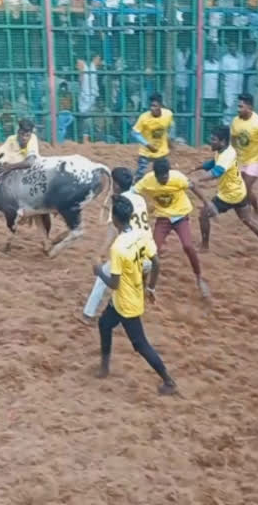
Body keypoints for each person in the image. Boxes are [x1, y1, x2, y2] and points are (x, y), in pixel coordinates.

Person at [93, 195, 177, 395]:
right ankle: (104, 367)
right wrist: (151, 288)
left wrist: (98, 272)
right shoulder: (141, 235)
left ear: (115, 219)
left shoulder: (118, 248)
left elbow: (114, 283)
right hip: (134, 292)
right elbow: (156, 263)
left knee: (140, 344)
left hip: (125, 303)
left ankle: (169, 381)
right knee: (104, 324)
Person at [190, 125, 258, 257]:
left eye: (213, 139)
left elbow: (217, 172)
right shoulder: (224, 151)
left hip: (229, 195)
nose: (210, 141)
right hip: (240, 191)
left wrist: (198, 179)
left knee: (203, 215)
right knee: (248, 220)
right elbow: (214, 162)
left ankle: (204, 246)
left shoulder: (227, 155)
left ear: (223, 141)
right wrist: (198, 167)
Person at [134, 159, 210, 298]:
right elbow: (133, 191)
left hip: (180, 216)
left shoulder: (177, 177)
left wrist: (207, 203)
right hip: (163, 218)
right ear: (155, 175)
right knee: (152, 251)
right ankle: (143, 282)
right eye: (161, 177)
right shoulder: (147, 180)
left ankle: (199, 277)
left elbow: (193, 187)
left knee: (188, 246)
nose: (164, 179)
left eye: (166, 175)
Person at [83, 167, 152, 321]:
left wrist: (99, 254)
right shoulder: (140, 199)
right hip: (147, 253)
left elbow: (112, 231)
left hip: (130, 250)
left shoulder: (120, 204)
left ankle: (88, 314)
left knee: (103, 278)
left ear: (117, 186)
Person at [230, 93, 258, 216]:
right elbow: (233, 140)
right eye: (238, 106)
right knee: (245, 189)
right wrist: (231, 156)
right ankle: (255, 210)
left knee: (244, 187)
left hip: (256, 160)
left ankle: (249, 212)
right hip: (241, 159)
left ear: (249, 107)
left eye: (241, 106)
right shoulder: (235, 121)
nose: (238, 109)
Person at [132, 93, 174, 181]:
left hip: (161, 150)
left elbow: (171, 125)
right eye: (151, 105)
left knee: (165, 173)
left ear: (161, 106)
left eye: (155, 106)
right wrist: (147, 144)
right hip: (146, 152)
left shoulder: (168, 114)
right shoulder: (144, 117)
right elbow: (135, 133)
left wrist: (170, 138)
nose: (152, 108)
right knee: (141, 173)